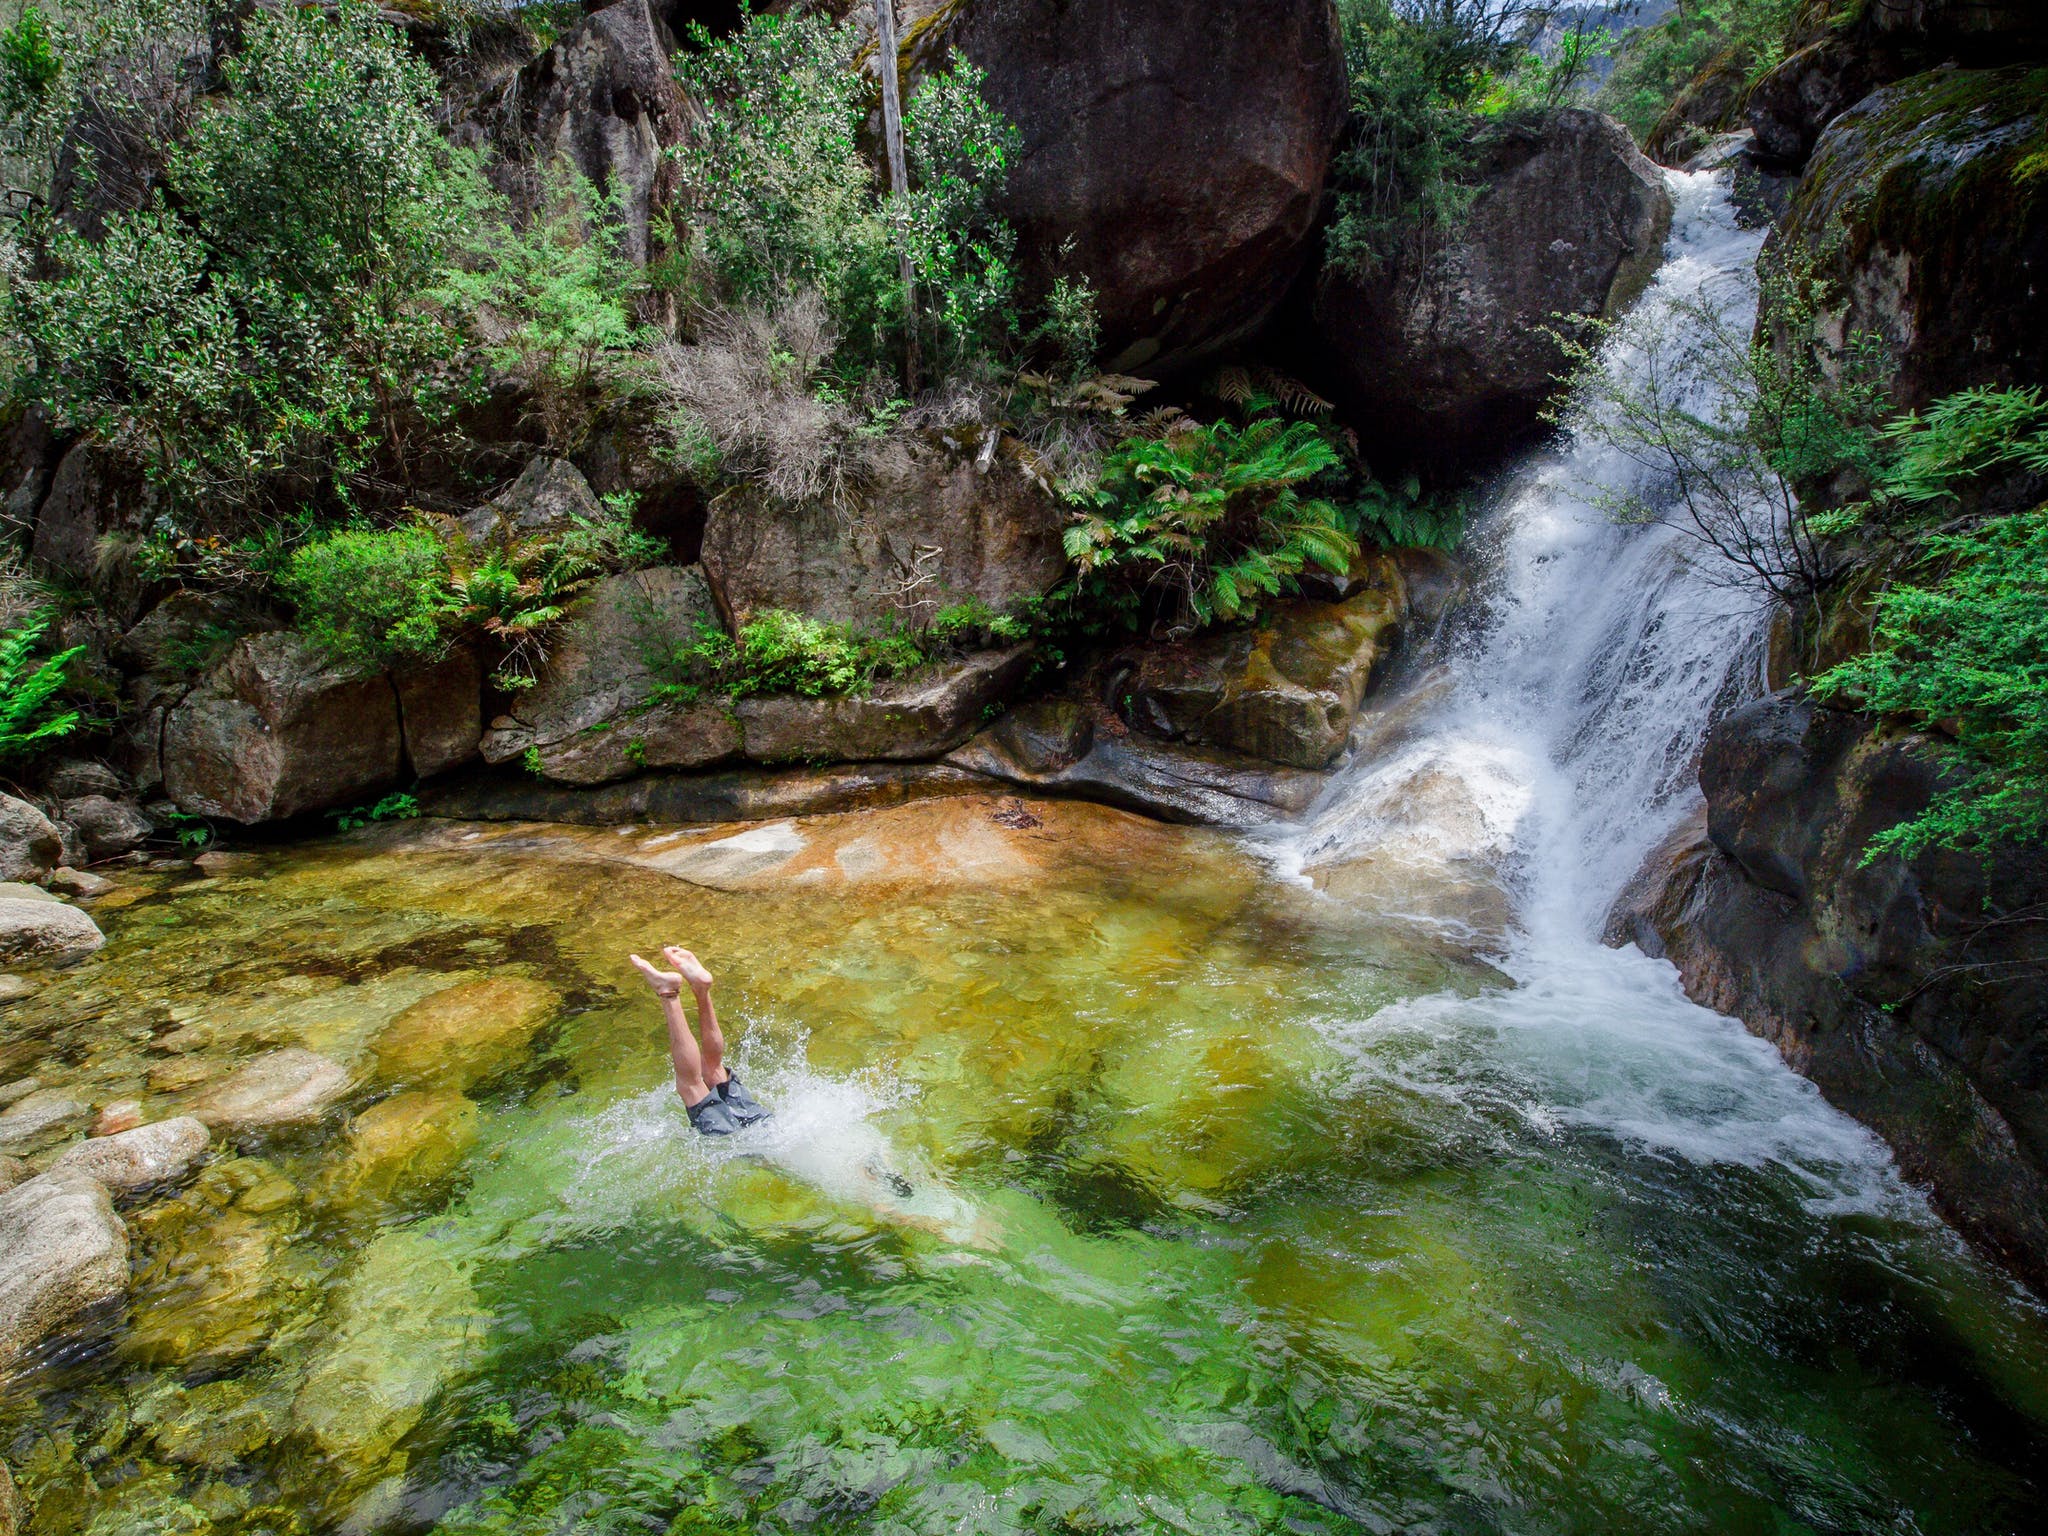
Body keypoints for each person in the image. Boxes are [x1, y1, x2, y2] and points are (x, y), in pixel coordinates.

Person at [629, 946, 771, 1135]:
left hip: (768, 1125)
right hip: (746, 1145)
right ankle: (668, 993)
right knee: (692, 1086)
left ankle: (701, 988)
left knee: (715, 1071)